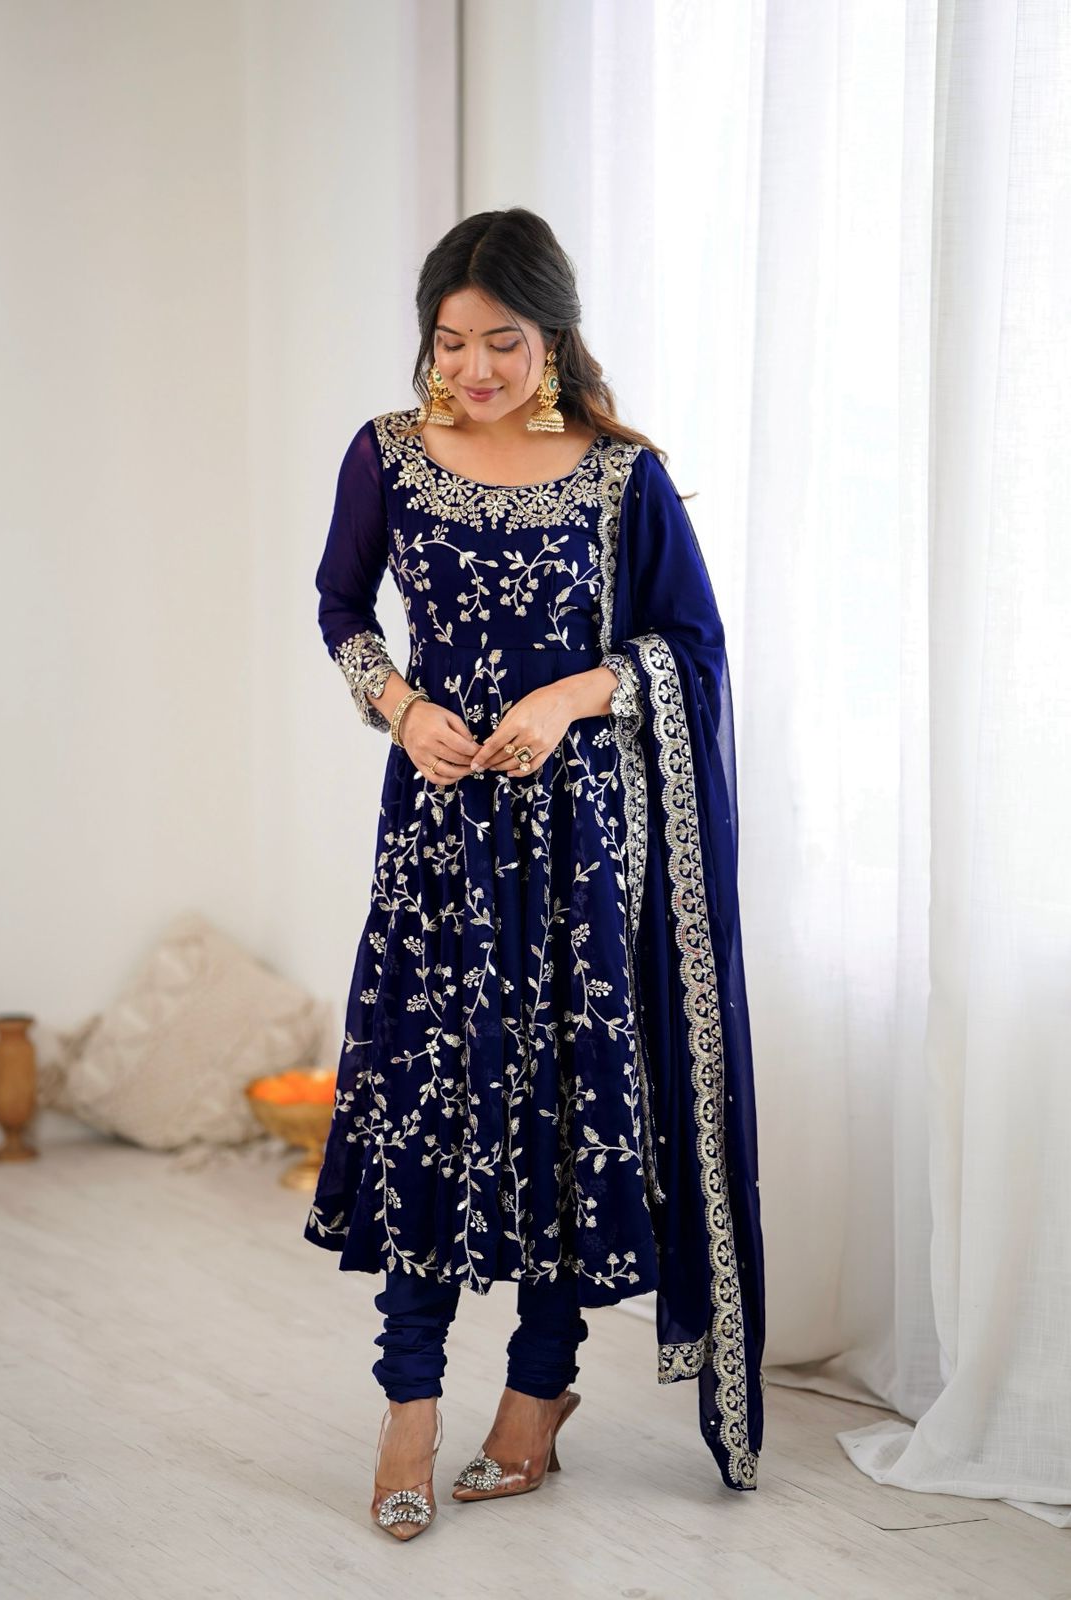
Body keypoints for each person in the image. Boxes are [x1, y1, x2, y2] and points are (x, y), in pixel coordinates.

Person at [304, 207, 765, 1540]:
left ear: (550, 336)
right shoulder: (387, 455)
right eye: (450, 342)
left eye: (501, 342)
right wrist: (398, 706)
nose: (474, 370)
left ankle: (535, 1397)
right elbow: (340, 607)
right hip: (438, 834)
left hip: (580, 845)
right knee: (426, 1102)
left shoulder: (621, 477)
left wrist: (572, 694)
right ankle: (406, 1409)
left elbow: (688, 647)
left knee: (564, 1108)